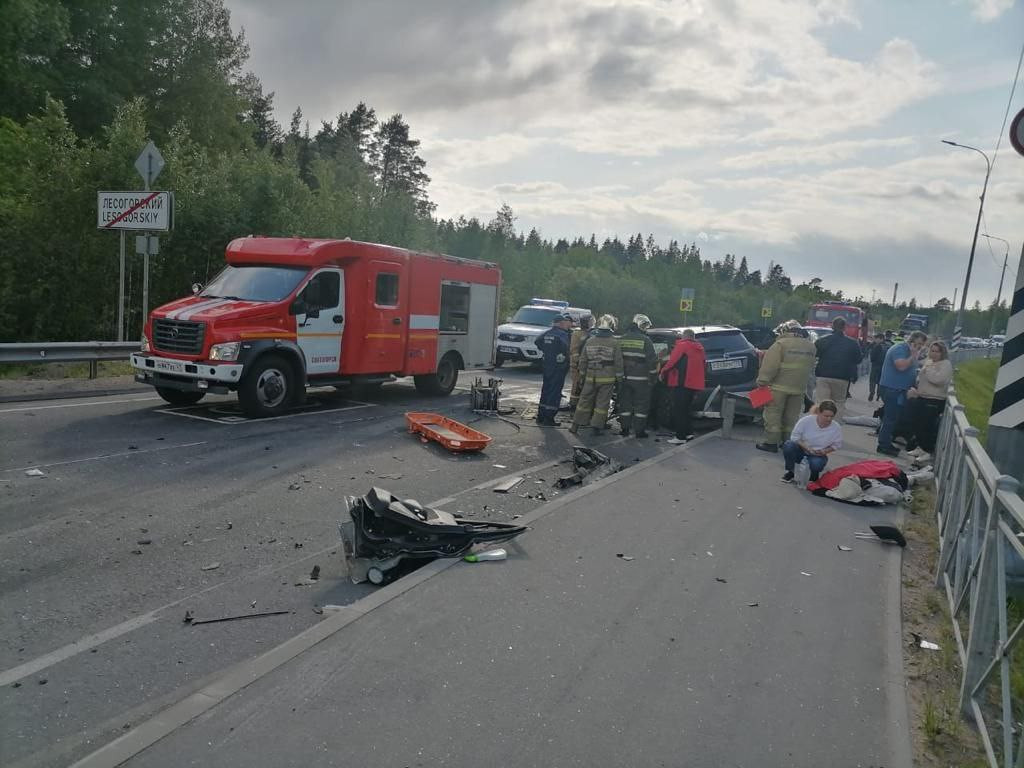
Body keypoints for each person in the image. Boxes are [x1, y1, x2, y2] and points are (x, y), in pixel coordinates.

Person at [756, 320, 817, 453]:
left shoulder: (780, 344)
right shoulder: (810, 346)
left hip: (777, 388)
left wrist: (761, 383)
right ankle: (788, 443)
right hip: (798, 389)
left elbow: (770, 367)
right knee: (791, 418)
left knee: (773, 416)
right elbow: (809, 368)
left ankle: (771, 443)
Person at [570, 314, 623, 435]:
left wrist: (582, 377)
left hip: (590, 378)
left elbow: (583, 360)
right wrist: (620, 379)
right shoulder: (614, 343)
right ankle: (596, 428)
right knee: (601, 405)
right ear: (611, 327)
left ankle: (575, 426)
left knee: (583, 402)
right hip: (607, 379)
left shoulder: (590, 341)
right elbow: (618, 363)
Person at [877, 330, 928, 456]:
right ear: (911, 341)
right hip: (892, 388)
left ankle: (886, 441)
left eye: (922, 345)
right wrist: (914, 356)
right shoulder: (900, 349)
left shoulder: (909, 351)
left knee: (893, 418)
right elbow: (901, 366)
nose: (920, 347)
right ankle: (883, 445)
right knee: (890, 418)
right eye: (918, 344)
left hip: (899, 389)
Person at [905, 341, 953, 462]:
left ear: (942, 353)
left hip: (934, 400)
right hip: (922, 396)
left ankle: (927, 450)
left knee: (927, 426)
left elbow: (939, 380)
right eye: (932, 351)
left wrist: (928, 370)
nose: (934, 354)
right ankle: (920, 447)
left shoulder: (945, 364)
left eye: (937, 351)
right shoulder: (929, 362)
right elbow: (921, 377)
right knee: (918, 424)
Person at [659, 328, 706, 445]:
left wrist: (663, 372)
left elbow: (672, 362)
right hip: (693, 384)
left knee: (679, 410)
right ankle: (688, 433)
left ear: (684, 337)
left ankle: (680, 437)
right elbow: (704, 365)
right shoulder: (700, 348)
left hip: (681, 383)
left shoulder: (682, 346)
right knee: (686, 409)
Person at [781, 400, 843, 483]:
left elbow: (837, 445)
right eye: (826, 416)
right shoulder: (806, 420)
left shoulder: (836, 427)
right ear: (819, 413)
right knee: (788, 445)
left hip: (818, 455)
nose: (829, 419)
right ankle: (790, 472)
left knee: (817, 463)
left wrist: (824, 451)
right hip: (801, 450)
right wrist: (807, 448)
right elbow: (794, 437)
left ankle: (814, 474)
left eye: (831, 416)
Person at [617, 314, 658, 438]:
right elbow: (652, 362)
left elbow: (617, 359)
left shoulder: (622, 339)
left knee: (625, 404)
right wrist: (653, 378)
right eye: (645, 326)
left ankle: (624, 429)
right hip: (641, 380)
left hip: (625, 379)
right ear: (640, 325)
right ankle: (639, 431)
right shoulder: (646, 340)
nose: (646, 328)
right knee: (641, 406)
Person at [813, 317, 861, 417]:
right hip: (842, 378)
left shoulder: (822, 340)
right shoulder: (852, 343)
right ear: (844, 328)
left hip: (823, 376)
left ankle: (818, 425)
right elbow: (858, 360)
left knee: (821, 402)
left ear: (832, 326)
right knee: (838, 403)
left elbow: (815, 355)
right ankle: (835, 425)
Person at [534, 313, 573, 426]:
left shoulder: (547, 333)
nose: (567, 325)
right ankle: (549, 418)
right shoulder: (562, 335)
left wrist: (547, 350)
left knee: (545, 390)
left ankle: (541, 416)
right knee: (554, 392)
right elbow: (567, 348)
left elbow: (537, 342)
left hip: (547, 365)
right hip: (558, 367)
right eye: (566, 323)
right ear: (561, 323)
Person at [568, 314, 594, 411]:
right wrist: (578, 362)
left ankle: (581, 405)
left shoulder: (592, 333)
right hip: (577, 365)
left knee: (584, 386)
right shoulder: (577, 333)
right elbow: (574, 350)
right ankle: (573, 405)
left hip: (586, 365)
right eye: (591, 321)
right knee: (577, 385)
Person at [868, 332, 889, 401]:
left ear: (881, 339)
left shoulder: (877, 346)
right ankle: (878, 395)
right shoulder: (888, 347)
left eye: (876, 339)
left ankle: (872, 392)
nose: (875, 340)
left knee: (872, 380)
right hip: (884, 367)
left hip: (875, 365)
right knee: (880, 381)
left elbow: (872, 357)